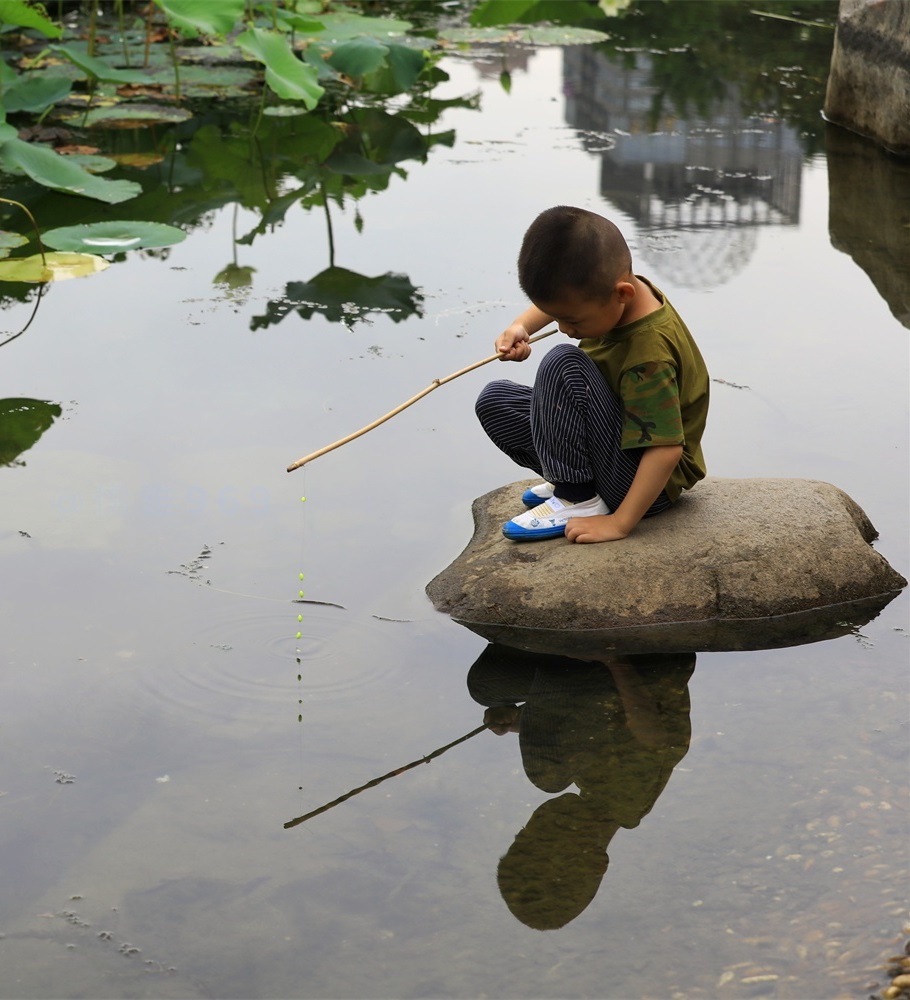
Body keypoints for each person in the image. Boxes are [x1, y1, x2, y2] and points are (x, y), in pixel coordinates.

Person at [475, 205, 709, 542]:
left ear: (622, 294)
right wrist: (520, 326)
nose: (564, 328)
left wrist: (620, 524)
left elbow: (666, 449)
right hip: (613, 449)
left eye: (573, 320)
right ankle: (578, 484)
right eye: (556, 316)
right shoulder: (615, 290)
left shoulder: (648, 354)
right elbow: (564, 298)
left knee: (563, 364)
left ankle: (578, 499)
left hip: (646, 483)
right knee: (495, 401)